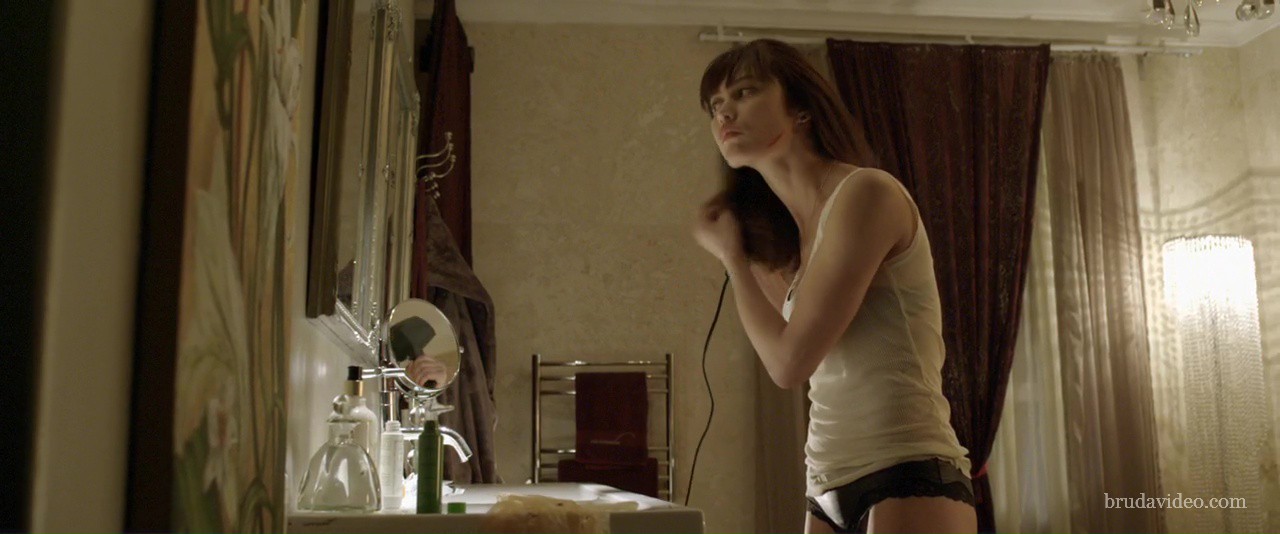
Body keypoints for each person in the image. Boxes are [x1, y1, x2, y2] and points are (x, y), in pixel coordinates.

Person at [690, 39, 977, 534]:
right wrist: (745, 252)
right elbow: (793, 346)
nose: (724, 113)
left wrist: (732, 258)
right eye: (715, 104)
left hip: (906, 466)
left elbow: (788, 363)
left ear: (801, 108)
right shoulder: (797, 240)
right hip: (825, 481)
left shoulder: (866, 192)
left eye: (744, 92)